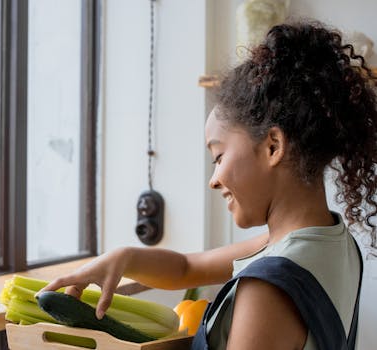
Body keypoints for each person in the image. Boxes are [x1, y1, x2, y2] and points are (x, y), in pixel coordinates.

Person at [39, 20, 376, 349]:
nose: (214, 180)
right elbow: (186, 268)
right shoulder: (331, 242)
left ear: (273, 146)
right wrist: (122, 257)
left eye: (218, 156)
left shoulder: (270, 289)